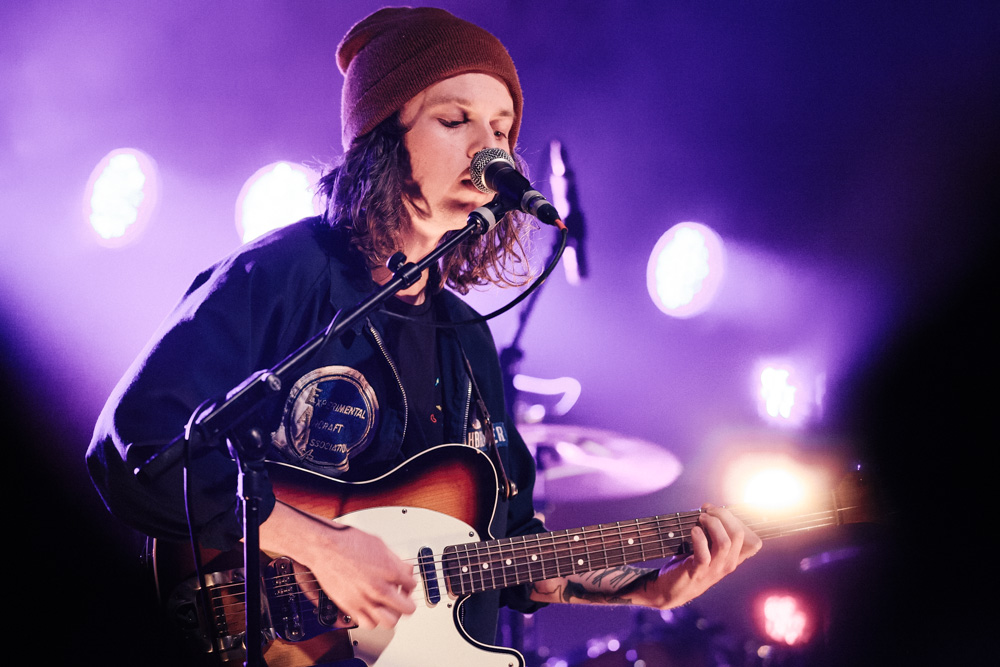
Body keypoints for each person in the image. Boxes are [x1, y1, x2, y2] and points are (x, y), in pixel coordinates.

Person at [87, 6, 761, 662]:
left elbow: (513, 545)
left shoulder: (466, 337)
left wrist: (637, 588)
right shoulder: (282, 275)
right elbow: (134, 449)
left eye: (500, 129)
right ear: (382, 136)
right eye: (454, 120)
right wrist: (321, 545)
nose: (487, 152)